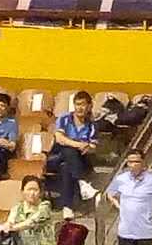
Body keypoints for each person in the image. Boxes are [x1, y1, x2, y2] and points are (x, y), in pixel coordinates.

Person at [106, 148, 152, 245]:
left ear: (143, 163)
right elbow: (110, 193)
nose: (133, 165)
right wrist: (119, 206)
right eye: (130, 162)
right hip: (125, 233)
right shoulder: (121, 179)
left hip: (145, 233)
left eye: (137, 162)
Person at [50, 91, 99, 219]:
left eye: (83, 104)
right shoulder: (64, 118)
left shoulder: (92, 125)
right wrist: (78, 145)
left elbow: (93, 147)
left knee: (66, 168)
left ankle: (67, 207)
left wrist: (88, 148)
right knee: (69, 150)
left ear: (89, 106)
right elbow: (60, 139)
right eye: (77, 104)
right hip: (58, 156)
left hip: (80, 159)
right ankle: (82, 182)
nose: (79, 108)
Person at [0, 174, 55, 245]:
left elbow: (31, 222)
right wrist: (1, 228)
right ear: (22, 191)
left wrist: (12, 228)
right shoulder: (17, 208)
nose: (32, 193)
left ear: (40, 193)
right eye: (29, 189)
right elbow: (10, 222)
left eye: (35, 190)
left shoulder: (45, 206)